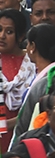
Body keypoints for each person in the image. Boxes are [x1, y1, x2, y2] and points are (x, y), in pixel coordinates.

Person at [1, 9, 35, 143]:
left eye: (9, 32)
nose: (2, 36)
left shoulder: (31, 63)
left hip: (21, 135)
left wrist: (8, 124)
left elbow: (35, 104)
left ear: (21, 36)